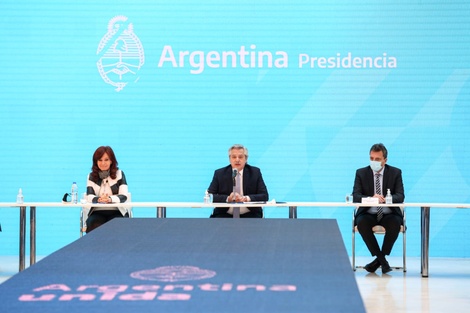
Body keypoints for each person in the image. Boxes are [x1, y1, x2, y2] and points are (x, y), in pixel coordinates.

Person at [352, 143, 405, 274]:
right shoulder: (361, 173)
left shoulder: (395, 173)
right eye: (371, 158)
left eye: (377, 159)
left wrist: (387, 199)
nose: (373, 162)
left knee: (394, 223)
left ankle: (378, 261)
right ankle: (382, 261)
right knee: (362, 222)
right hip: (369, 213)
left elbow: (400, 196)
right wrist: (372, 198)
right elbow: (356, 196)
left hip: (388, 213)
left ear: (385, 160)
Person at [208, 144, 269, 218]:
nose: (237, 160)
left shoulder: (255, 172)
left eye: (240, 157)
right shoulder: (219, 173)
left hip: (250, 214)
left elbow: (264, 196)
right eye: (234, 157)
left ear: (246, 159)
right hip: (224, 214)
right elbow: (209, 196)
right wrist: (228, 199)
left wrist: (245, 198)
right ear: (229, 159)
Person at [85, 146, 129, 233]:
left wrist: (110, 199)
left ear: (111, 161)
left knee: (116, 226)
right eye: (100, 160)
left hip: (117, 211)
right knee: (94, 225)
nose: (103, 163)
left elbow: (124, 196)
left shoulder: (119, 174)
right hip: (97, 211)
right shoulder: (91, 176)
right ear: (96, 162)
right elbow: (89, 196)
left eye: (106, 160)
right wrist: (99, 199)